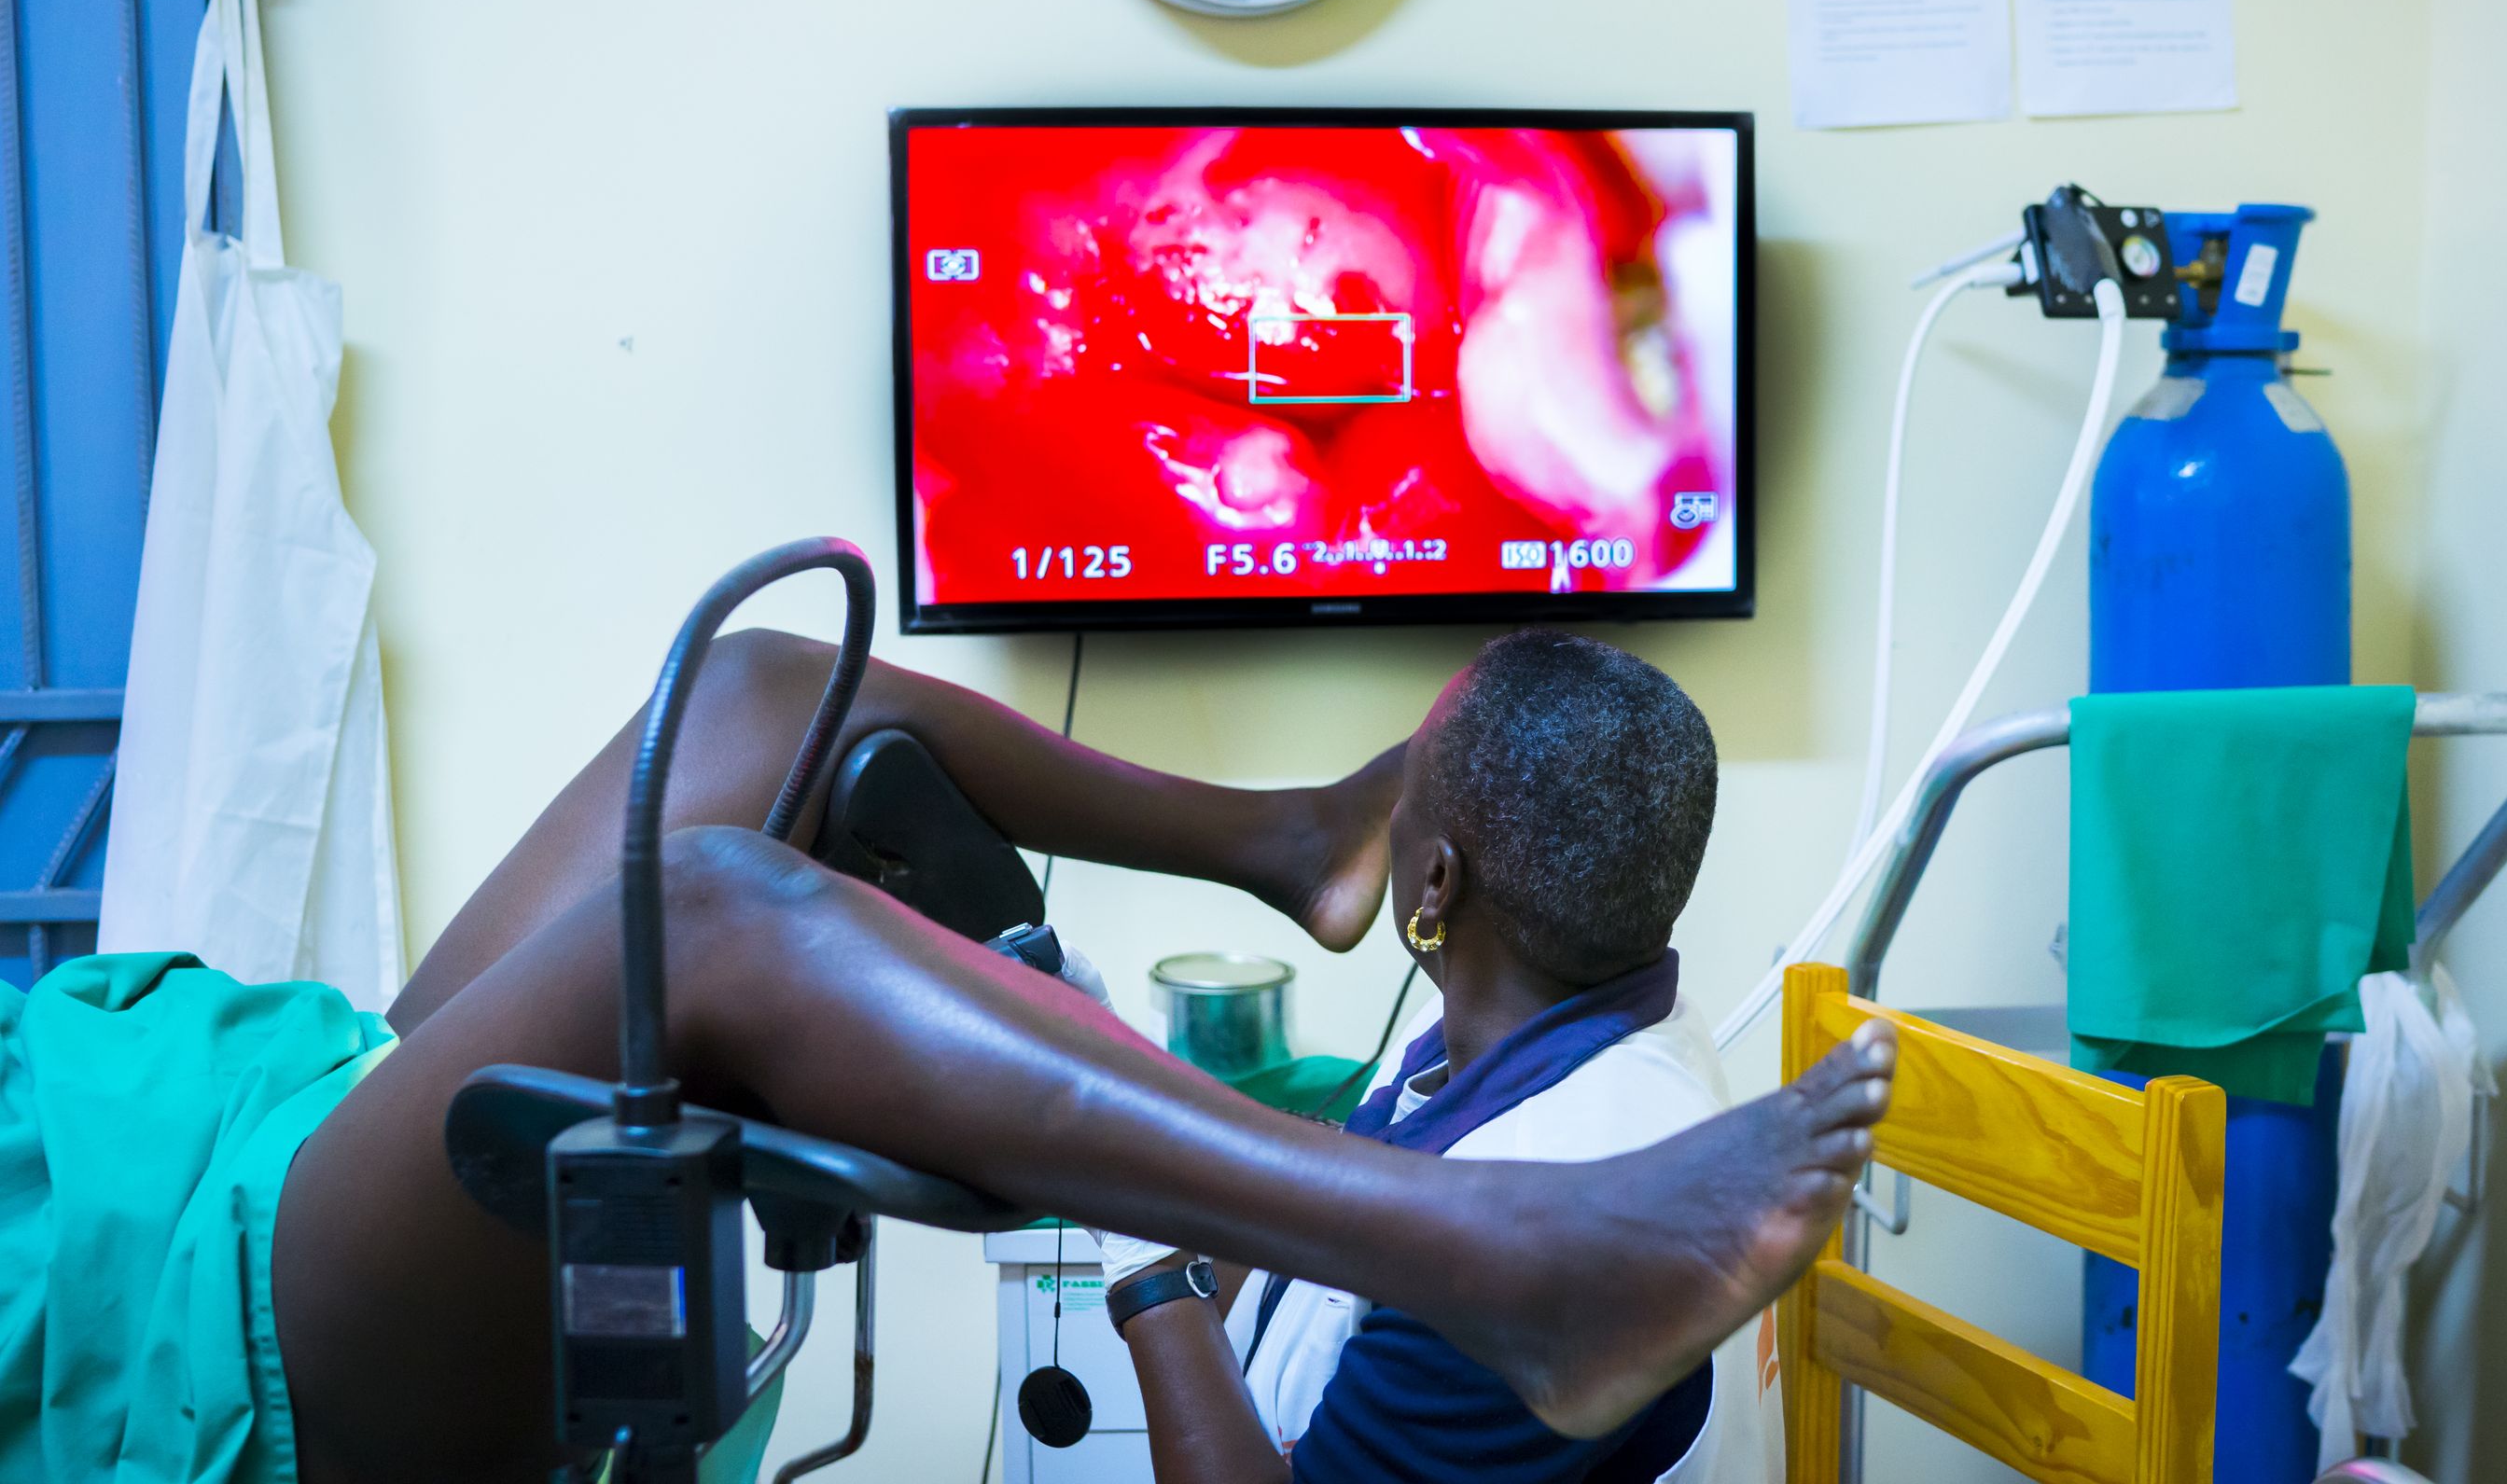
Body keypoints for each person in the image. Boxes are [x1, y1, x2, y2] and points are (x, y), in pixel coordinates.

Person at [0, 627, 1900, 1484]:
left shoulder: (1567, 1100)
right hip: (193, 1273)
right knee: (738, 850)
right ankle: (1318, 921)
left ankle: (1311, 893)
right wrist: (1047, 1052)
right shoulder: (1532, 1067)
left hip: (254, 1133)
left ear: (1436, 884)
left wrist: (1128, 1214)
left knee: (751, 730)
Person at [1101, 629, 1777, 1483]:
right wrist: (1132, 1102)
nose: (1385, 822)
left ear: (1435, 881)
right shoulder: (1578, 1019)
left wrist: (1149, 1274)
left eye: (1401, 802)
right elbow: (1345, 1224)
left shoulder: (1533, 1247)